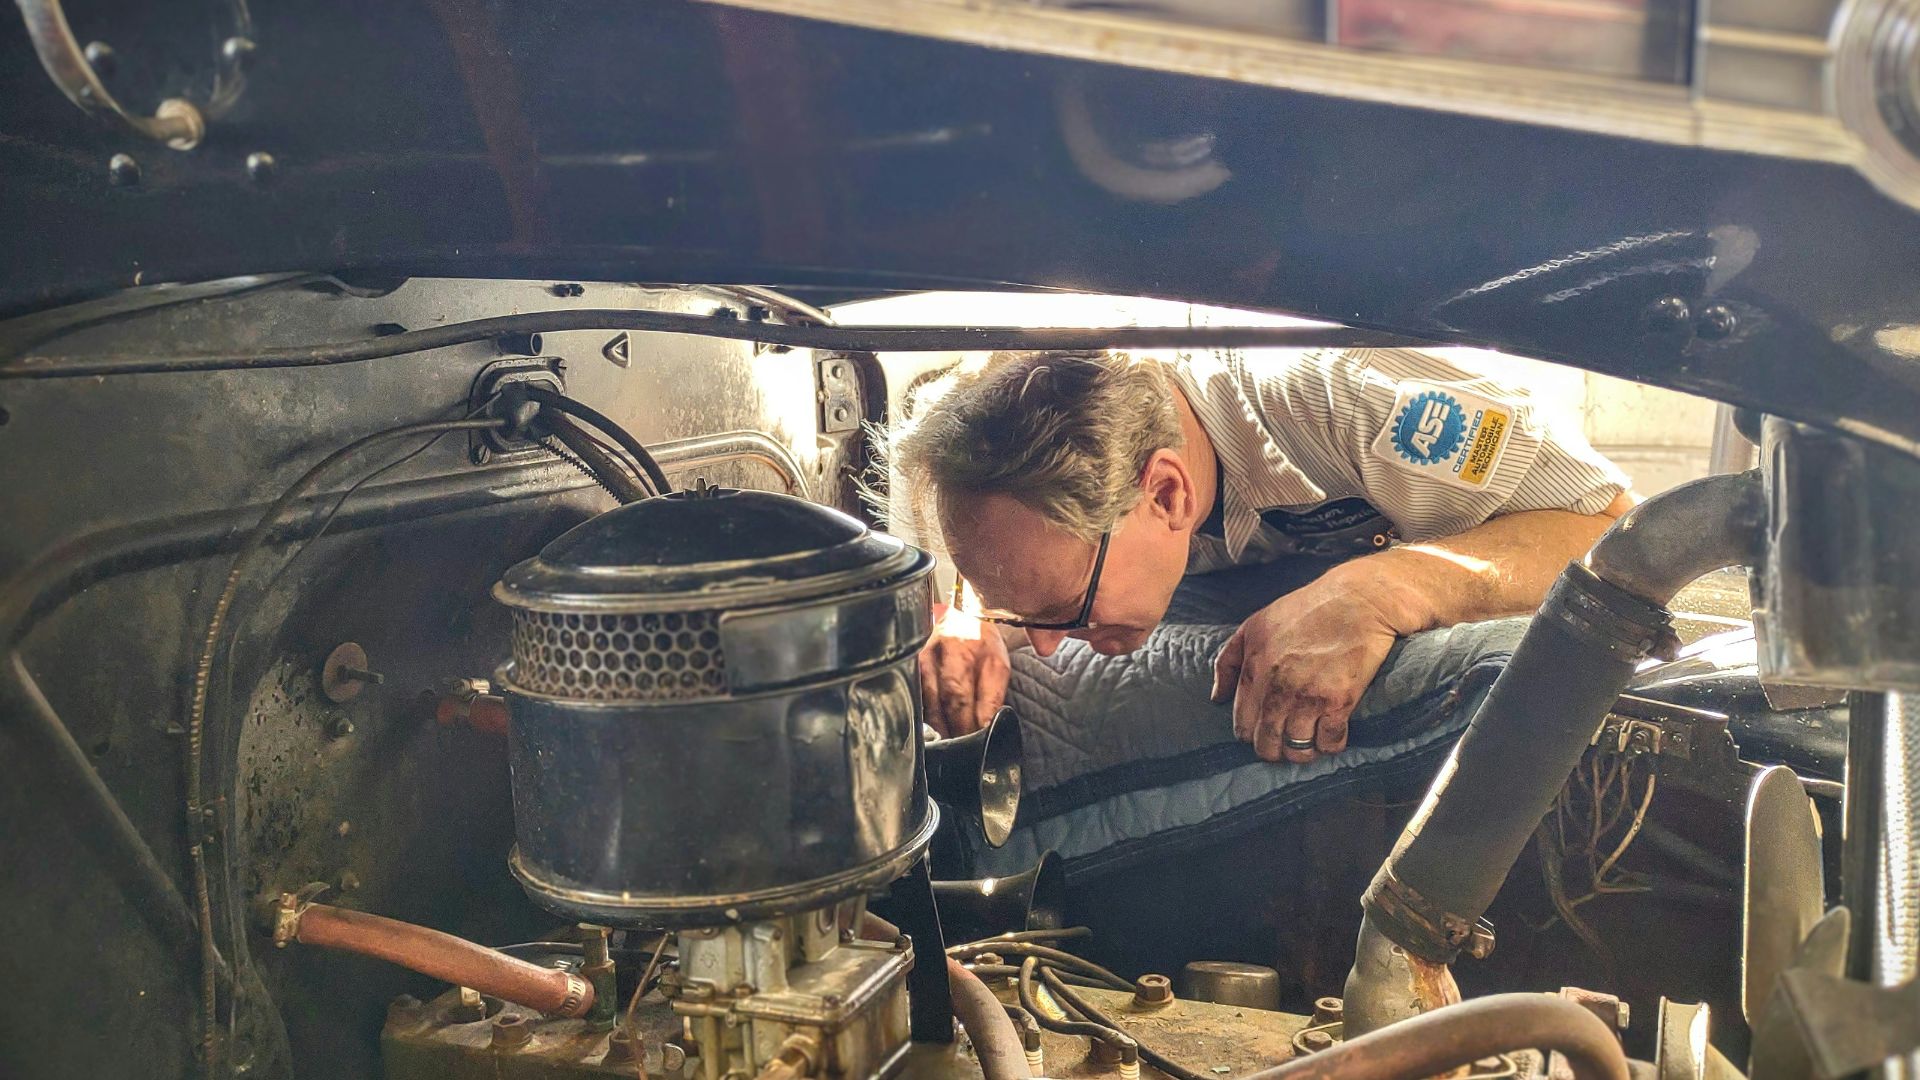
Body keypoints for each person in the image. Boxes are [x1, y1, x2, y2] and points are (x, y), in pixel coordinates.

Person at [878, 346, 1634, 763]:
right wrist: (976, 616)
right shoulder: (1027, 464)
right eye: (1026, 616)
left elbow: (1612, 530)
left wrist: (1379, 590)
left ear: (1166, 495)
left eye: (1064, 612)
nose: (1042, 644)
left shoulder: (1350, 394)